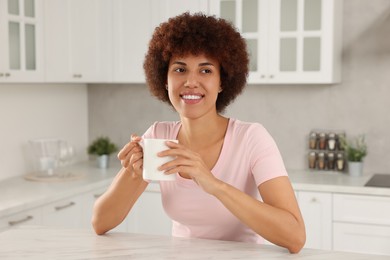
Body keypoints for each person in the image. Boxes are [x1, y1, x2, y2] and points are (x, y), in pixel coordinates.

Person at [92, 12, 306, 253]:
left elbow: (295, 236)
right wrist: (133, 173)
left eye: (205, 71)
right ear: (165, 79)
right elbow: (100, 223)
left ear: (222, 81)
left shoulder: (251, 138)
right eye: (180, 69)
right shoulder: (159, 137)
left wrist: (213, 184)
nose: (191, 82)